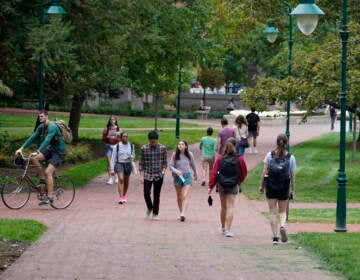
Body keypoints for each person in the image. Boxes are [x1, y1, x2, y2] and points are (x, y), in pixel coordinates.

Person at [15, 110, 66, 206]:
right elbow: (32, 137)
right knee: (34, 158)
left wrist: (37, 151)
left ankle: (50, 198)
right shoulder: (41, 127)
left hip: (59, 152)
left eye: (42, 116)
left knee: (48, 172)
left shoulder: (53, 127)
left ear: (47, 116)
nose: (40, 118)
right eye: (39, 117)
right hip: (51, 149)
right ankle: (42, 180)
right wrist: (21, 148)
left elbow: (47, 140)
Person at [259, 134, 296, 245]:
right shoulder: (291, 157)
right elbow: (292, 175)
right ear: (286, 143)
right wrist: (293, 190)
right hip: (284, 187)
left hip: (271, 186)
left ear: (277, 142)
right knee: (283, 211)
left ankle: (275, 237)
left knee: (272, 212)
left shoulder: (269, 156)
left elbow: (264, 172)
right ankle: (282, 226)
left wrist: (261, 186)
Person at [208, 140, 247, 237]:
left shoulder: (220, 158)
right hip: (233, 184)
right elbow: (244, 172)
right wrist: (239, 181)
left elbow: (214, 173)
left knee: (223, 207)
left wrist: (211, 186)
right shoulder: (240, 159)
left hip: (222, 184)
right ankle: (229, 230)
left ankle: (222, 228)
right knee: (230, 206)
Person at [139, 130, 167, 220]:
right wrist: (141, 176)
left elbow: (165, 162)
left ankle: (155, 213)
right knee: (146, 193)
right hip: (147, 174)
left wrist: (163, 171)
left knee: (156, 194)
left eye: (154, 141)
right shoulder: (144, 148)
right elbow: (141, 163)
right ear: (149, 140)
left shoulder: (162, 148)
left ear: (157, 139)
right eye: (151, 142)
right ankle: (150, 207)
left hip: (159, 174)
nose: (153, 143)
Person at [170, 140, 198, 222]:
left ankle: (183, 214)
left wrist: (196, 173)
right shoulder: (175, 155)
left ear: (186, 146)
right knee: (179, 197)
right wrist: (176, 171)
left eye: (182, 144)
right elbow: (170, 166)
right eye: (179, 144)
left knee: (184, 195)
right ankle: (181, 212)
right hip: (178, 176)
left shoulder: (190, 154)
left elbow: (193, 164)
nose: (180, 145)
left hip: (187, 176)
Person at [110, 132, 135, 204]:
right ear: (121, 138)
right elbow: (113, 158)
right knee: (121, 179)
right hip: (119, 164)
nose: (125, 138)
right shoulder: (117, 146)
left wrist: (131, 157)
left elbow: (133, 155)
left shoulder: (131, 145)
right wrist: (112, 169)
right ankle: (121, 198)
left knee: (126, 180)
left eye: (126, 136)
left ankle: (124, 196)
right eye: (124, 136)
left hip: (128, 164)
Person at [102, 115, 122, 185]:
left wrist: (114, 138)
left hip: (116, 148)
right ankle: (110, 178)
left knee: (115, 163)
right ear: (109, 121)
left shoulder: (119, 129)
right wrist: (107, 138)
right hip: (108, 147)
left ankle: (116, 176)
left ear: (115, 121)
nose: (112, 121)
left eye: (113, 120)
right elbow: (103, 139)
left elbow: (120, 140)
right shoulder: (106, 129)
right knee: (109, 163)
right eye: (111, 120)